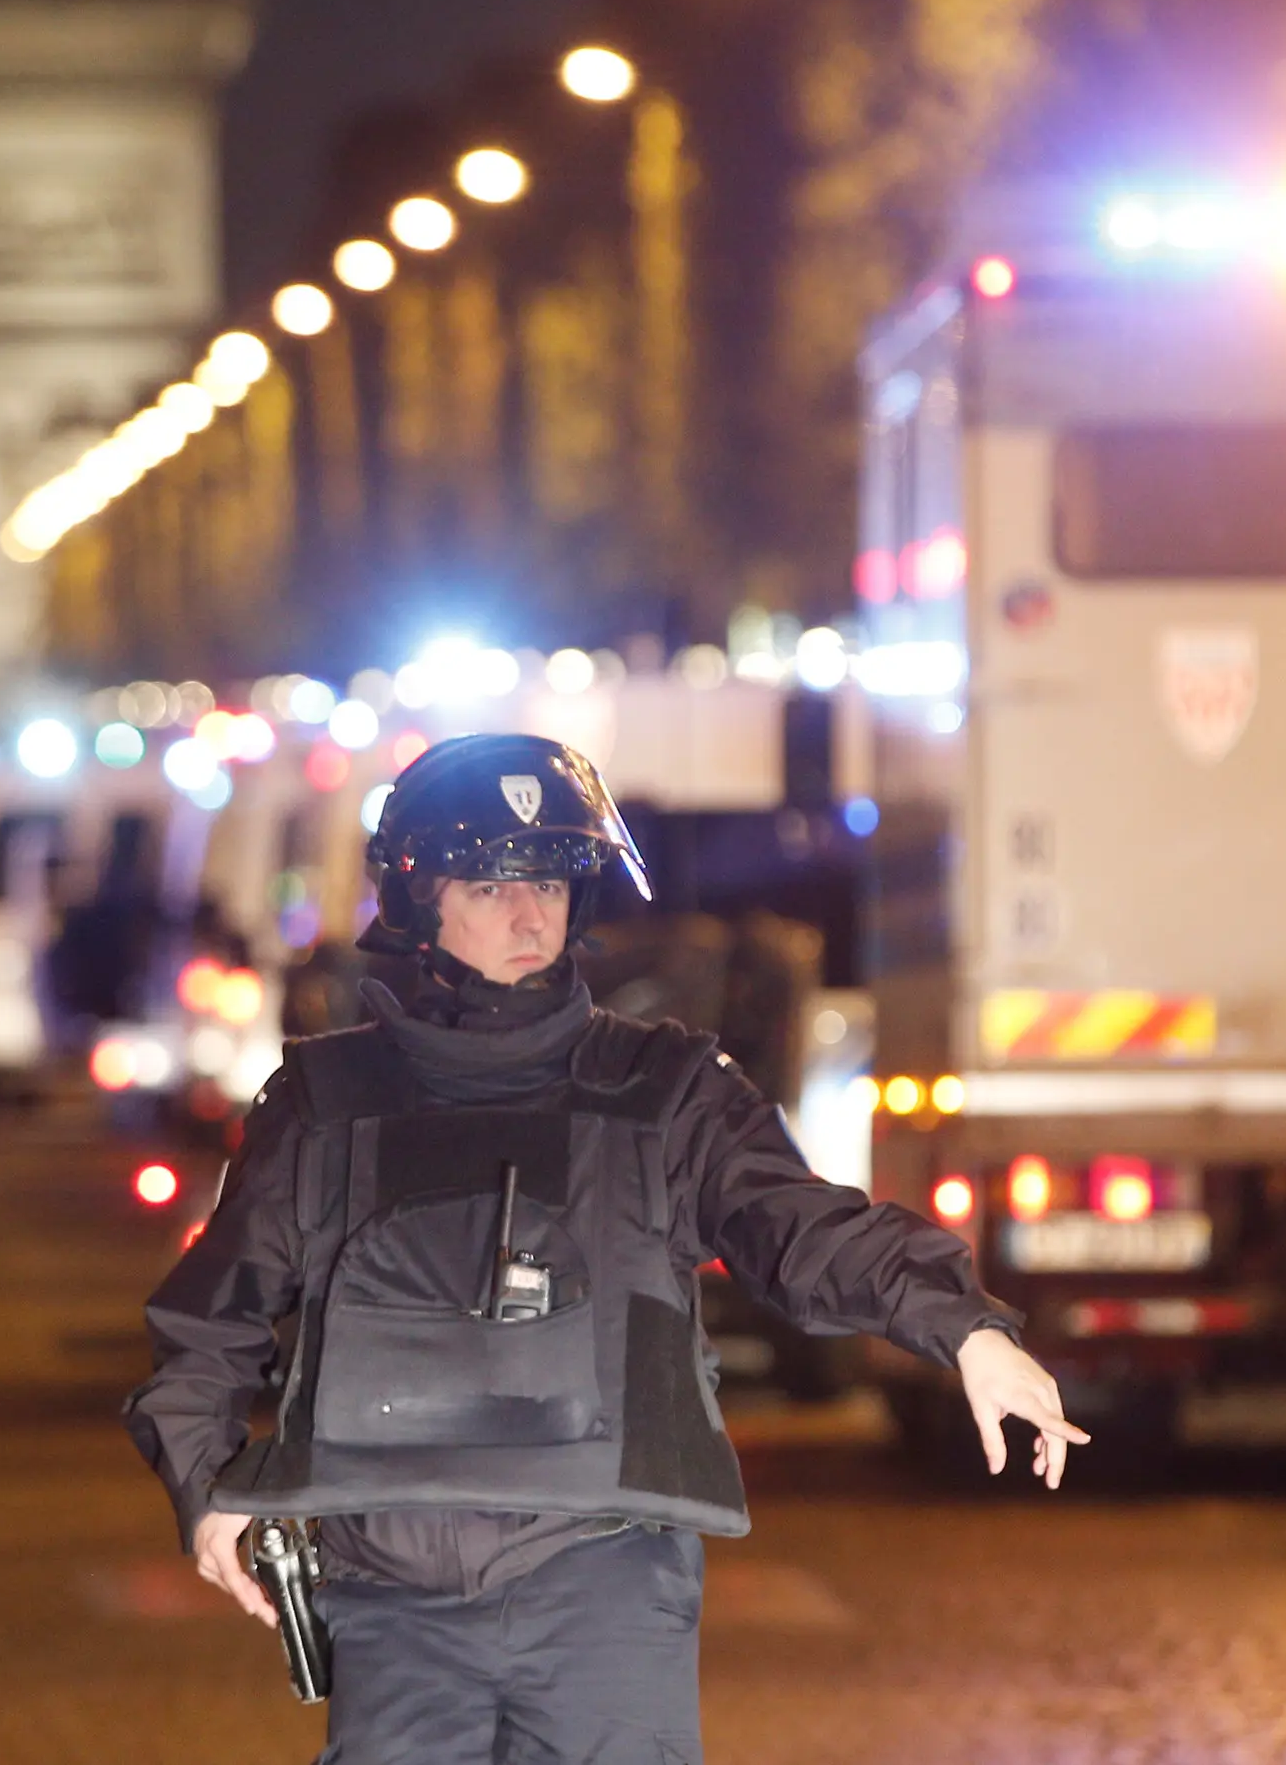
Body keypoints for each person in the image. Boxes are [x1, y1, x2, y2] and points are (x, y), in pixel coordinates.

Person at [126, 732, 1087, 1762]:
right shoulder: (325, 1105)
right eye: (491, 884)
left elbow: (799, 1225)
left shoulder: (666, 1092)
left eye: (545, 879)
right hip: (392, 1597)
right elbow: (207, 1321)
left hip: (602, 1584)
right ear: (419, 901)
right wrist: (207, 1489)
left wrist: (965, 1328)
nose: (527, 913)